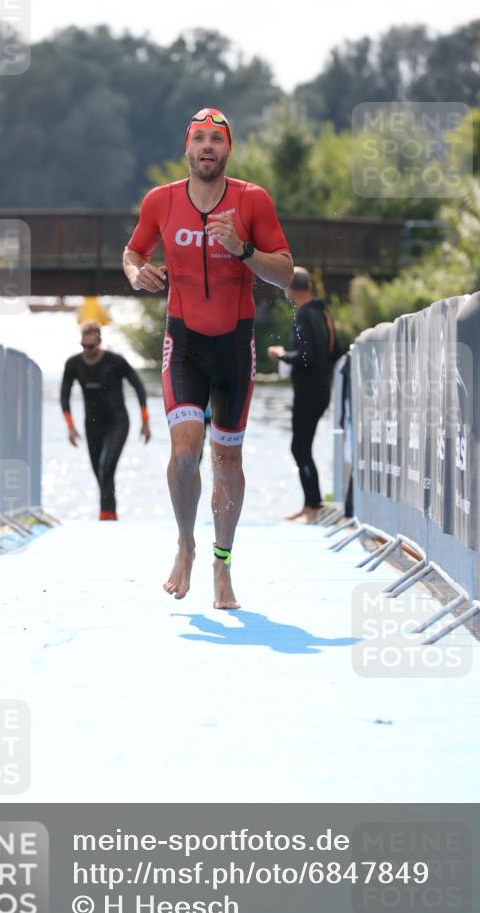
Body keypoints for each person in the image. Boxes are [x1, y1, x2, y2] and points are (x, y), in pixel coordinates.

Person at [123, 107, 293, 608]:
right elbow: (133, 253)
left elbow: (285, 274)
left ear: (228, 150)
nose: (206, 147)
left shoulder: (251, 200)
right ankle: (185, 544)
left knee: (226, 460)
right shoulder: (161, 201)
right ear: (187, 148)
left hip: (235, 345)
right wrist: (135, 274)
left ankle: (223, 562)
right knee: (183, 454)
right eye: (198, 139)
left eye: (216, 140)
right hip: (185, 343)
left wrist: (242, 250)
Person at [267, 266, 339, 523]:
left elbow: (305, 356)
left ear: (289, 289)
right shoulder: (322, 312)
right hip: (322, 388)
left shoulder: (304, 316)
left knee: (300, 447)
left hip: (309, 391)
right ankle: (312, 504)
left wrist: (281, 354)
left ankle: (313, 506)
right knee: (303, 446)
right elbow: (333, 351)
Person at [60, 321, 151, 520]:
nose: (88, 351)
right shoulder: (73, 364)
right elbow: (64, 397)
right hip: (92, 426)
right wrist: (70, 427)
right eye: (84, 346)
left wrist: (145, 421)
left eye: (91, 347)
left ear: (99, 342)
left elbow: (139, 387)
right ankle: (111, 515)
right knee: (100, 474)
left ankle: (105, 519)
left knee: (106, 467)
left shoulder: (115, 361)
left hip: (117, 422)